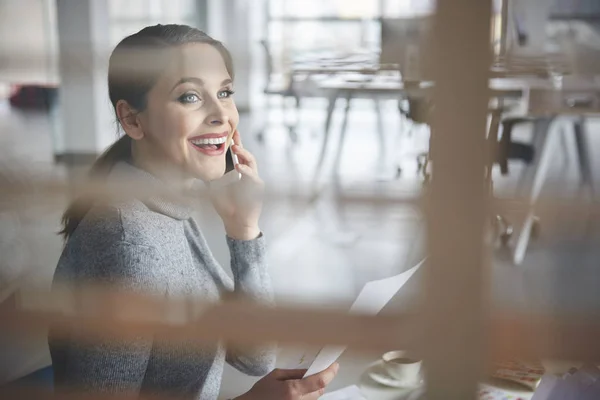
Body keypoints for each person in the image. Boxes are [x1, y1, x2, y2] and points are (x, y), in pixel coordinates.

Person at [48, 24, 338, 400]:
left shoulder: (171, 207)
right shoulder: (129, 246)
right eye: (189, 96)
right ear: (132, 119)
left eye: (225, 92)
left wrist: (244, 230)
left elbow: (255, 356)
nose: (221, 114)